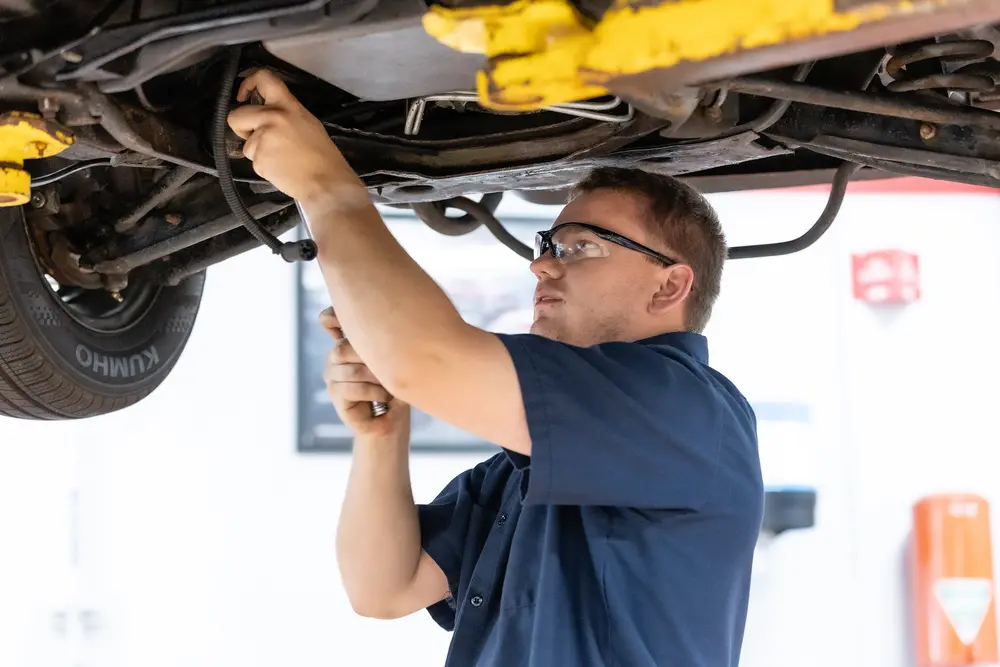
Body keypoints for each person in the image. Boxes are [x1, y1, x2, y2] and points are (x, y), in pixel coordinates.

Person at [228, 69, 763, 667]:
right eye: (547, 245)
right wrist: (382, 434)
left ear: (670, 286)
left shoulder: (685, 410)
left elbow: (427, 359)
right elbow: (384, 587)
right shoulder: (522, 475)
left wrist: (327, 191)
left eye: (581, 247)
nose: (543, 268)